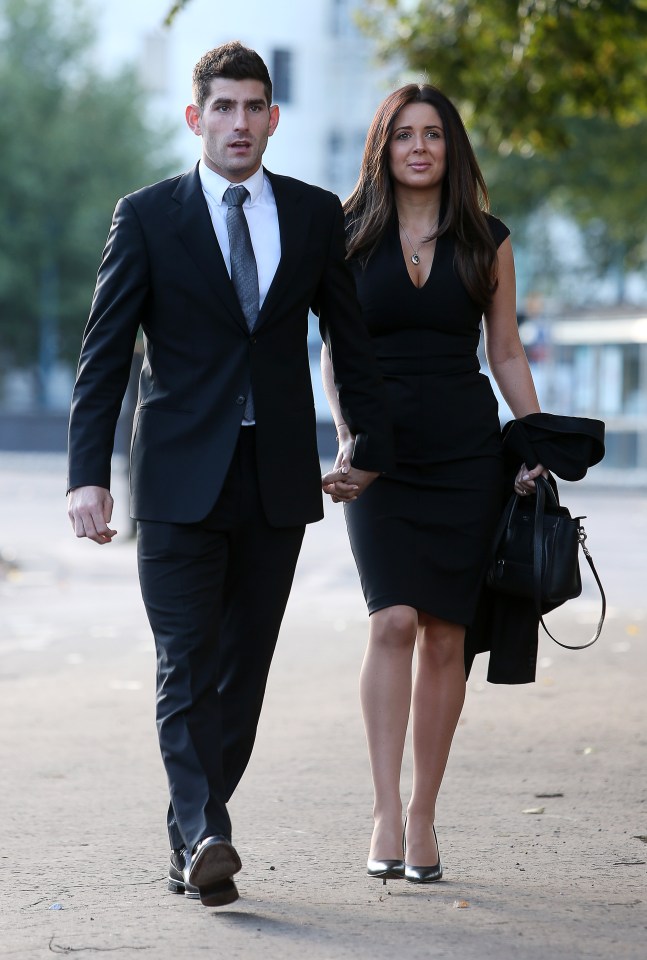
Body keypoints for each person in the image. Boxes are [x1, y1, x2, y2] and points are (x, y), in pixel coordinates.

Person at [67, 41, 393, 908]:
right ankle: (209, 832)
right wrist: (86, 474)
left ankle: (192, 838)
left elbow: (349, 344)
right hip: (175, 478)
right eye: (223, 108)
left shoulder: (315, 215)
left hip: (275, 477)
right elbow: (104, 357)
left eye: (254, 107)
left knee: (241, 675)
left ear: (273, 118)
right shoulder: (146, 216)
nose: (239, 123)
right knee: (185, 663)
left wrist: (364, 440)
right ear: (195, 117)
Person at [321, 84, 545, 884]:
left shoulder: (486, 238)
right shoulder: (345, 236)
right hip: (382, 455)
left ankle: (422, 818)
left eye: (433, 135)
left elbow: (506, 350)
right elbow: (332, 353)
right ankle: (383, 808)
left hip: (463, 454)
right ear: (381, 147)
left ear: (452, 149)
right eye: (403, 135)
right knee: (391, 621)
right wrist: (350, 438)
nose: (419, 147)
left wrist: (532, 441)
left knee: (446, 633)